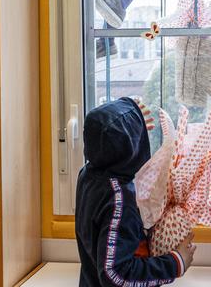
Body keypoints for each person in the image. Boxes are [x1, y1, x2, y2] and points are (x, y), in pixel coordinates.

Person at [76, 97, 195, 286]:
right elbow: (114, 275)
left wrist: (130, 130)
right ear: (131, 146)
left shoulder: (89, 174)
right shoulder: (119, 200)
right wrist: (175, 263)